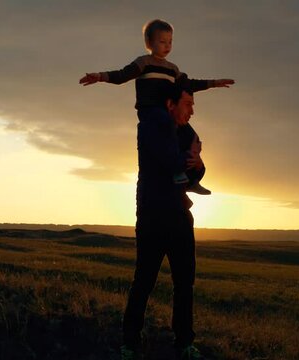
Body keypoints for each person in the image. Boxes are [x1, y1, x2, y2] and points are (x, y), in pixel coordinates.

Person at [79, 18, 233, 195]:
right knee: (167, 127)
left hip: (166, 111)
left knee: (191, 136)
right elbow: (122, 75)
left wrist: (214, 83)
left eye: (170, 42)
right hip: (150, 111)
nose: (167, 46)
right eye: (162, 42)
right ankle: (177, 172)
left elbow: (188, 84)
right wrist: (99, 76)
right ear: (149, 42)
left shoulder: (172, 69)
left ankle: (192, 180)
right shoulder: (144, 62)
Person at [120, 85, 205, 360]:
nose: (192, 110)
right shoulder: (150, 128)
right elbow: (170, 162)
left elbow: (197, 169)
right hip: (152, 215)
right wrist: (187, 160)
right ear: (171, 104)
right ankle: (129, 344)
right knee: (143, 281)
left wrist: (197, 162)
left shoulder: (187, 133)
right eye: (188, 104)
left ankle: (184, 343)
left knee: (184, 284)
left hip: (180, 215)